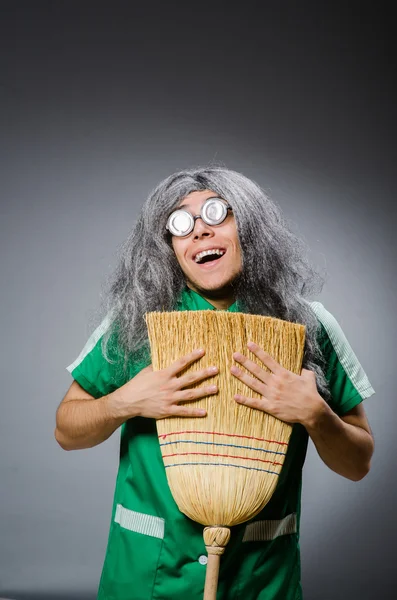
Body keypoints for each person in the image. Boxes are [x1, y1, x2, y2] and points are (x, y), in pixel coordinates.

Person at [55, 166, 375, 600]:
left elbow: (357, 464)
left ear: (250, 226)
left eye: (215, 213)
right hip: (146, 578)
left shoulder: (309, 325)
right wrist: (123, 403)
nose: (199, 232)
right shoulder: (134, 325)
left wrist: (317, 415)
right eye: (181, 224)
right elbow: (65, 431)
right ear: (169, 247)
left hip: (261, 581)